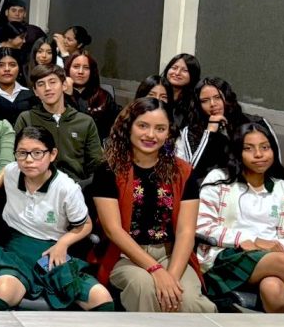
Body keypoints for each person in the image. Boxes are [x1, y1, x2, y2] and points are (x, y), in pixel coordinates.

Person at [92, 98, 216, 313]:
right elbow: (113, 230)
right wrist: (155, 269)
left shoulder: (182, 171)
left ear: (169, 133)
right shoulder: (109, 170)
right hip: (125, 256)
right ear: (128, 127)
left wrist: (171, 277)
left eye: (160, 129)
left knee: (185, 299)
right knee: (145, 287)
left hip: (171, 254)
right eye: (143, 126)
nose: (151, 135)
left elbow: (186, 231)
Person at [0, 127, 113, 311]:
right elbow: (6, 171)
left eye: (37, 153)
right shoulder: (14, 171)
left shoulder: (66, 188)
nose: (28, 160)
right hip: (15, 249)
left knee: (101, 298)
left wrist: (63, 243)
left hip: (52, 252)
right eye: (22, 153)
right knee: (4, 290)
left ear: (52, 154)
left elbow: (86, 225)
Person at [197, 122, 284, 313]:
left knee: (273, 289)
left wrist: (277, 247)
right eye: (249, 148)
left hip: (275, 258)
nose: (259, 154)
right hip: (226, 256)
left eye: (265, 147)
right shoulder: (219, 179)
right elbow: (202, 225)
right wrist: (249, 240)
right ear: (237, 152)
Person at [15, 64, 102, 183]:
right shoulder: (26, 118)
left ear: (64, 85)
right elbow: (18, 158)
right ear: (35, 91)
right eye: (41, 84)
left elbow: (96, 163)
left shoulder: (85, 122)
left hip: (78, 185)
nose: (47, 88)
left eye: (52, 82)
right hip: (38, 184)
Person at [178, 77, 279, 180]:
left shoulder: (256, 123)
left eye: (217, 97)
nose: (212, 104)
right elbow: (193, 174)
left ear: (227, 97)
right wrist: (210, 132)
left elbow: (276, 166)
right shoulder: (192, 130)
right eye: (205, 101)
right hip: (212, 186)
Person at [64, 52, 118, 142]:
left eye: (86, 68)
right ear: (68, 69)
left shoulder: (103, 96)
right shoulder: (58, 95)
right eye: (76, 67)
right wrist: (67, 96)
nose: (80, 72)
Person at [0, 49, 36, 124]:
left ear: (19, 68)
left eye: (12, 65)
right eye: (0, 65)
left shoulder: (30, 95)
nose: (7, 69)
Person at [162, 53, 201, 130]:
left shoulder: (195, 102)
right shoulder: (155, 91)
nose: (177, 73)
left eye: (185, 70)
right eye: (174, 68)